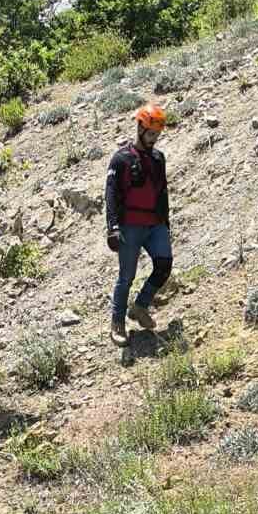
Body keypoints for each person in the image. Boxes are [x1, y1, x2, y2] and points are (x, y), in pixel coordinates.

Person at [105, 103, 172, 347]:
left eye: (157, 134)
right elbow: (111, 195)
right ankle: (117, 323)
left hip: (155, 225)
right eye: (151, 133)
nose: (154, 139)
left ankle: (140, 306)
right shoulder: (121, 159)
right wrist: (112, 227)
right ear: (140, 129)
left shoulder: (158, 158)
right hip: (129, 227)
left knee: (164, 265)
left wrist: (166, 222)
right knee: (126, 277)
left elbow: (162, 191)